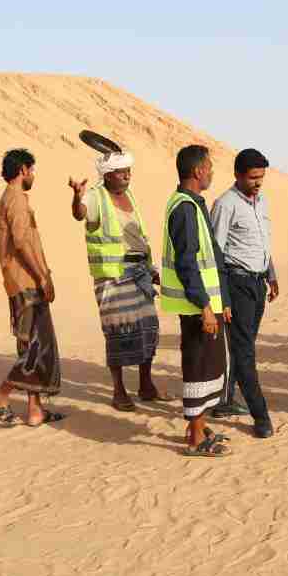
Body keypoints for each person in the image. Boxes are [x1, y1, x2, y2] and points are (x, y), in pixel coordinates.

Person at [70, 150, 169, 412]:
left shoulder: (130, 196)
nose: (127, 176)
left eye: (128, 171)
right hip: (113, 275)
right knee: (118, 332)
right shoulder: (95, 196)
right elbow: (80, 214)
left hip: (140, 271)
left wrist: (151, 268)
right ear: (107, 175)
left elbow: (138, 236)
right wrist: (77, 197)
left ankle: (146, 385)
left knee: (148, 328)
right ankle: (119, 390)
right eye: (121, 172)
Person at [160, 145, 233, 457]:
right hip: (195, 307)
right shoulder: (185, 208)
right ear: (198, 171)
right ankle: (195, 437)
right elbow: (187, 263)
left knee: (208, 366)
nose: (212, 173)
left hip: (206, 305)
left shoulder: (192, 204)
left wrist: (222, 301)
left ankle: (198, 427)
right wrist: (205, 307)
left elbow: (211, 256)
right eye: (209, 167)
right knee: (198, 367)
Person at [0, 149, 65, 427]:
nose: (33, 176)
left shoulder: (10, 199)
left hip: (22, 281)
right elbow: (21, 242)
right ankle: (0, 397)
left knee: (35, 344)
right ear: (22, 170)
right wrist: (42, 277)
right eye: (31, 170)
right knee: (36, 349)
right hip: (26, 282)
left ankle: (35, 410)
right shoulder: (16, 200)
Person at [209, 148, 277, 438]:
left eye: (261, 177)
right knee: (244, 351)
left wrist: (271, 273)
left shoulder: (262, 201)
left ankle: (225, 400)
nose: (258, 182)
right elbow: (215, 254)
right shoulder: (225, 204)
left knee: (243, 346)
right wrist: (223, 298)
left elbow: (262, 242)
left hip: (258, 284)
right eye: (252, 177)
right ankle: (261, 415)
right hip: (236, 285)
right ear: (237, 175)